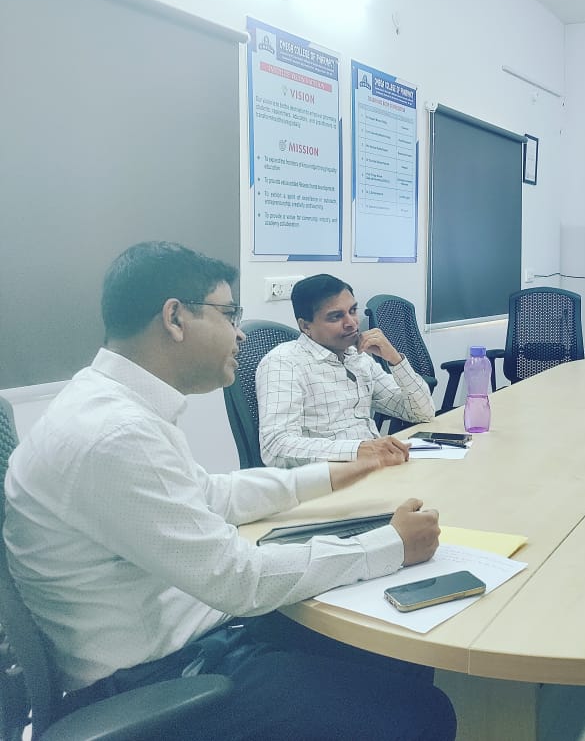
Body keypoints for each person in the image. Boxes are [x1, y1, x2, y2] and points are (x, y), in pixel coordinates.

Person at [3, 242, 454, 740]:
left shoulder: (111, 406)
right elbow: (240, 580)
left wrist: (334, 472)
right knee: (421, 710)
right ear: (175, 318)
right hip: (159, 682)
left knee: (398, 652)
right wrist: (389, 545)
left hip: (189, 638)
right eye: (228, 314)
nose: (240, 333)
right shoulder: (113, 434)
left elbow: (212, 495)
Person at [257, 274, 436, 468]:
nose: (351, 323)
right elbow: (276, 446)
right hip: (329, 477)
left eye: (352, 311)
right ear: (306, 326)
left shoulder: (357, 357)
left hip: (373, 467)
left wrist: (395, 359)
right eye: (336, 316)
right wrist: (359, 450)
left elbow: (421, 413)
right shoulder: (284, 363)